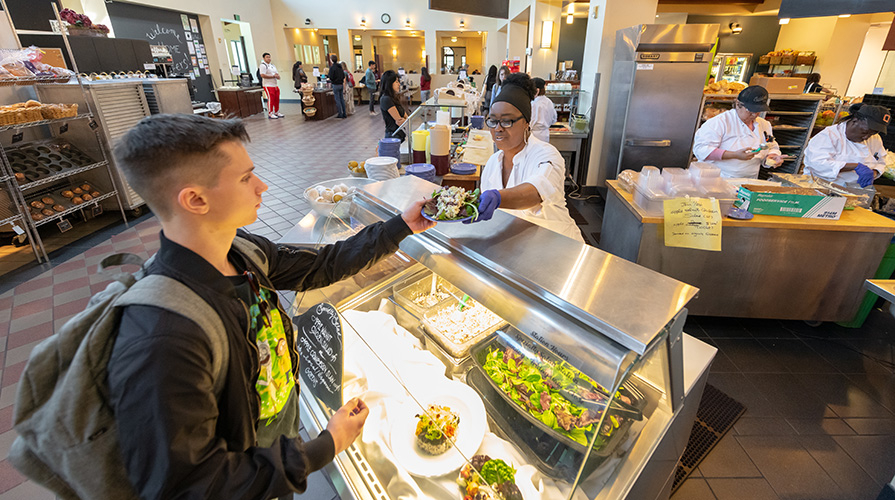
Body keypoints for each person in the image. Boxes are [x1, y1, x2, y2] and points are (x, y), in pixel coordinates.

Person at [108, 114, 435, 499]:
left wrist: (400, 227)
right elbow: (190, 485)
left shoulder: (240, 251)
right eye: (246, 178)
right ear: (196, 199)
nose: (262, 186)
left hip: (270, 451)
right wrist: (324, 446)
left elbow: (321, 265)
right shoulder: (161, 336)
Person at [472, 73, 583, 242]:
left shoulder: (547, 155)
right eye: (493, 121)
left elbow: (536, 191)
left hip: (560, 246)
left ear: (526, 122)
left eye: (507, 121)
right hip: (517, 246)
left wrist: (498, 197)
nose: (498, 128)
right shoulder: (493, 163)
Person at [692, 85, 782, 178]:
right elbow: (701, 150)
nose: (754, 114)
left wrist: (772, 155)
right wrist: (734, 155)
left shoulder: (764, 124)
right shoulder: (719, 122)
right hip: (718, 179)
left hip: (748, 181)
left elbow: (771, 145)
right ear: (738, 104)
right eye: (750, 110)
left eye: (758, 111)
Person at [803, 103, 890, 187]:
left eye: (871, 134)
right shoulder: (828, 136)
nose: (866, 137)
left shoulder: (875, 138)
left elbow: (881, 161)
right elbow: (818, 164)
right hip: (821, 187)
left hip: (855, 190)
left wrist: (873, 173)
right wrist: (856, 166)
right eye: (864, 132)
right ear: (855, 120)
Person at [379, 70, 408, 142]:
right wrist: (405, 120)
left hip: (399, 134)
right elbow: (400, 121)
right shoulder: (386, 99)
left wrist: (406, 120)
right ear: (389, 83)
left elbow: (406, 117)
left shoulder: (394, 97)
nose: (399, 84)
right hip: (393, 136)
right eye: (396, 82)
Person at [529, 77, 557, 143]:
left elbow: (530, 122)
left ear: (537, 90)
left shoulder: (534, 104)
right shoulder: (549, 101)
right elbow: (554, 119)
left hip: (534, 135)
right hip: (545, 135)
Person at [259, 53, 282, 119]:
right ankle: (270, 113)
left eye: (269, 57)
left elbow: (276, 73)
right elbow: (262, 75)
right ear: (264, 58)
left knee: (276, 98)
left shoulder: (272, 65)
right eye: (267, 57)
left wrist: (277, 76)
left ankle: (277, 111)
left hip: (275, 85)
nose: (269, 58)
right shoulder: (263, 65)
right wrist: (272, 76)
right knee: (271, 99)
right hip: (268, 85)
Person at [327, 54, 347, 119]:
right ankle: (344, 113)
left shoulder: (332, 68)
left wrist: (330, 79)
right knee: (341, 99)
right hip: (341, 84)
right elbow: (343, 76)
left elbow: (331, 76)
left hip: (335, 85)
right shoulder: (340, 67)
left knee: (337, 99)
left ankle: (340, 113)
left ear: (331, 60)